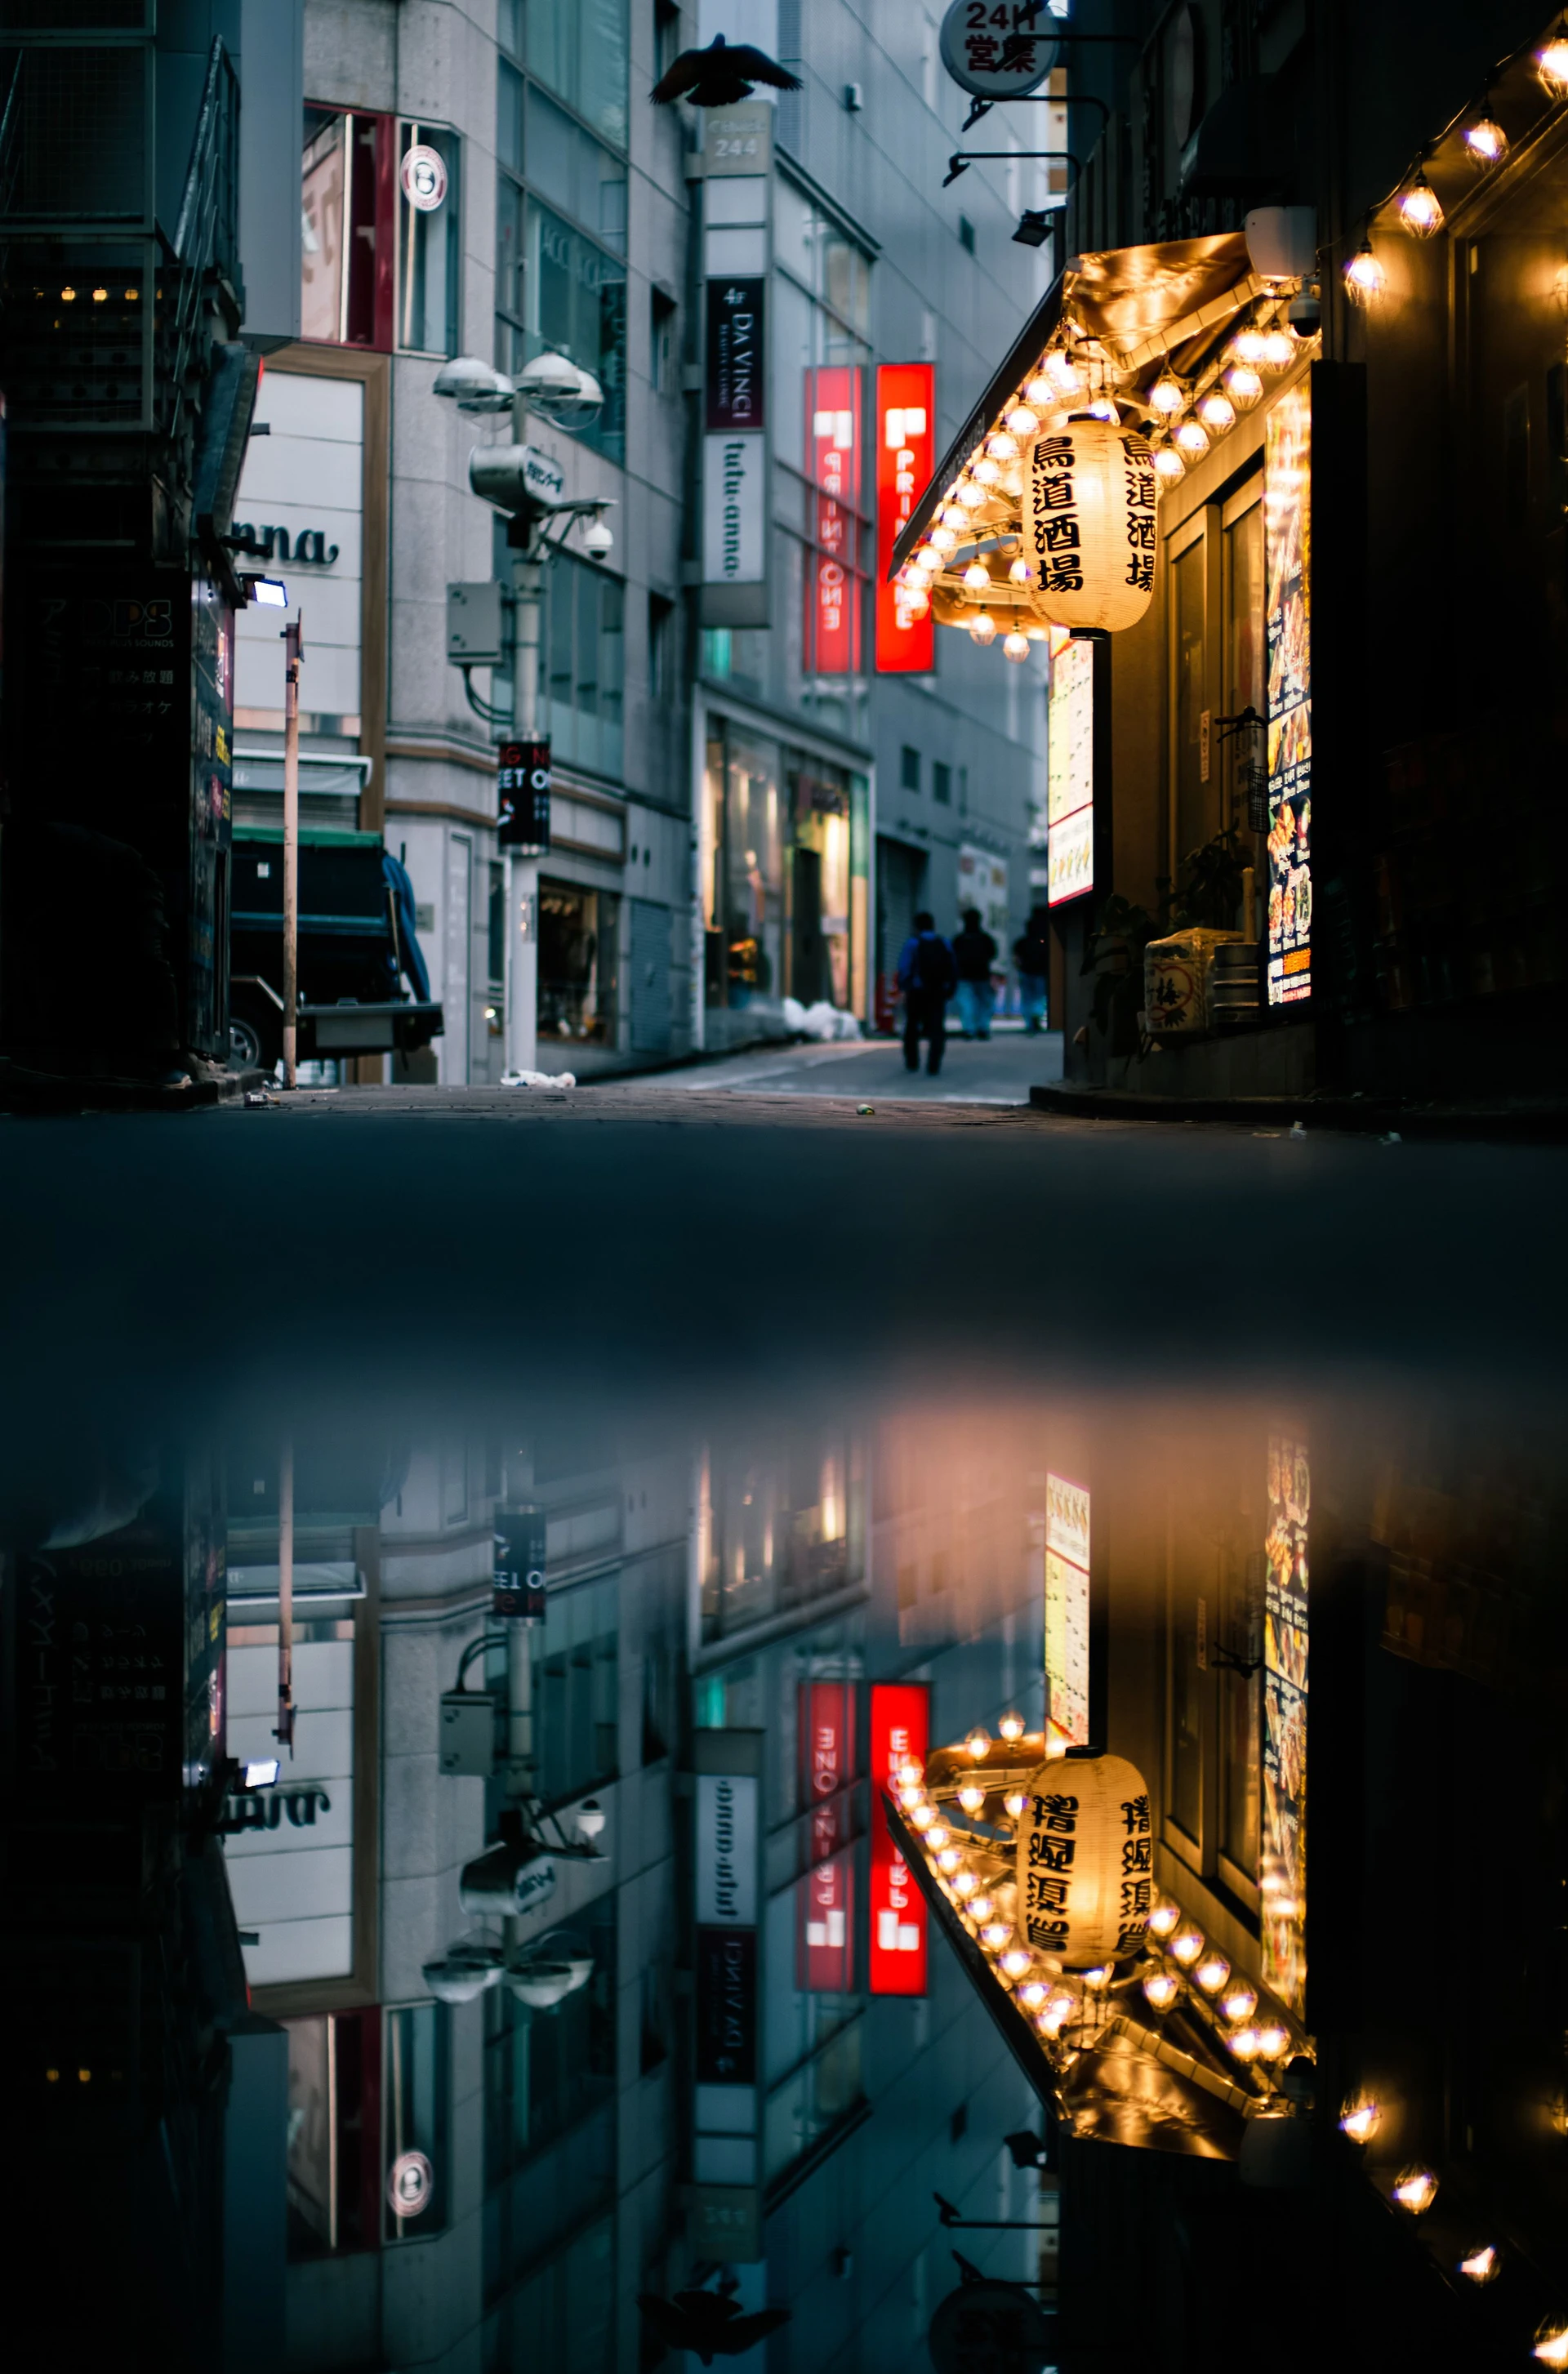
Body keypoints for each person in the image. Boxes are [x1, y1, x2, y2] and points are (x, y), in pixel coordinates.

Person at [896, 910, 956, 1075]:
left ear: (916, 926)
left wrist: (903, 987)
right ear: (933, 926)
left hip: (916, 991)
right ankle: (934, 1064)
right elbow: (952, 967)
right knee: (937, 1027)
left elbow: (904, 967)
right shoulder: (944, 943)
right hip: (937, 991)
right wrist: (950, 988)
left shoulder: (912, 943)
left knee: (912, 1026)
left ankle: (912, 1062)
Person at [951, 906, 999, 1039]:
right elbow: (993, 954)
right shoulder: (985, 939)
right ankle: (983, 1027)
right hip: (982, 974)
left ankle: (969, 1029)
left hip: (964, 975)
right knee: (984, 1003)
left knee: (966, 1003)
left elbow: (952, 957)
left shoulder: (959, 939)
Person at [1013, 906, 1051, 1033]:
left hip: (1026, 970)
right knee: (1040, 996)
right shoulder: (1046, 934)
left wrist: (1019, 968)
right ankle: (1036, 1016)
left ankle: (1030, 1022)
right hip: (1041, 970)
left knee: (1027, 998)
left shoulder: (1025, 939)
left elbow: (1017, 956)